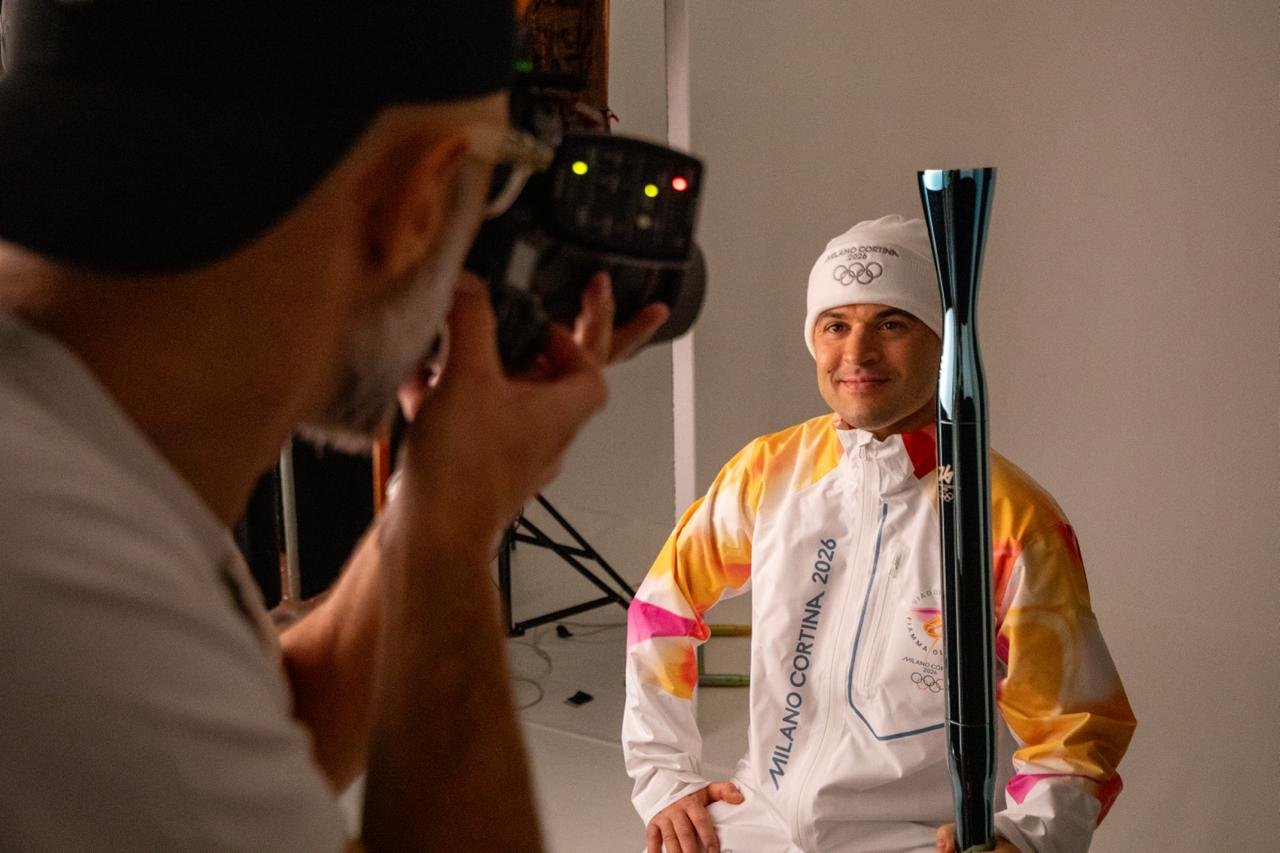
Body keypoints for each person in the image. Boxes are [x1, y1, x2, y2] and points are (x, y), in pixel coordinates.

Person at [0, 2, 666, 851]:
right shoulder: (67, 606)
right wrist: (449, 543)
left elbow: (268, 722)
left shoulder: (71, 482)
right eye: (497, 184)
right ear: (416, 204)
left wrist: (442, 504)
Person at [622, 215, 1136, 853]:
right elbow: (659, 609)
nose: (856, 354)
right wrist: (663, 776)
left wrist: (1030, 839)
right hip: (764, 822)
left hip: (924, 840)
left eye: (891, 324)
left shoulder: (1008, 518)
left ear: (944, 343)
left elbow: (1074, 727)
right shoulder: (770, 470)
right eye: (836, 325)